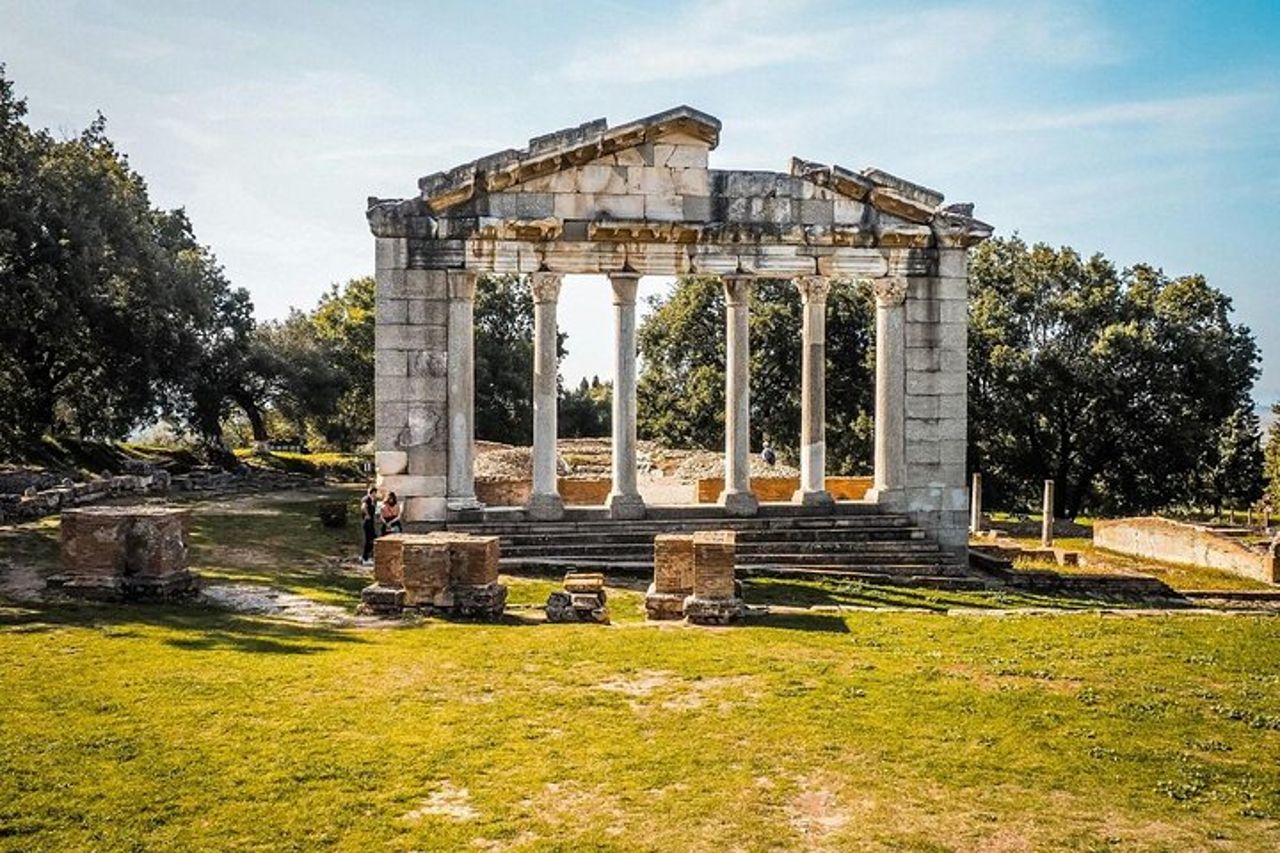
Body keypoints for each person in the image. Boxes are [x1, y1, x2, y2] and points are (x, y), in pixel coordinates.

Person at [359, 485, 378, 566]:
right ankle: (365, 558)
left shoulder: (372, 500)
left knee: (373, 538)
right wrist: (367, 515)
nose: (375, 494)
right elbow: (363, 507)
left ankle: (367, 556)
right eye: (374, 493)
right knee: (368, 540)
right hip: (367, 522)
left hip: (371, 522)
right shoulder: (367, 499)